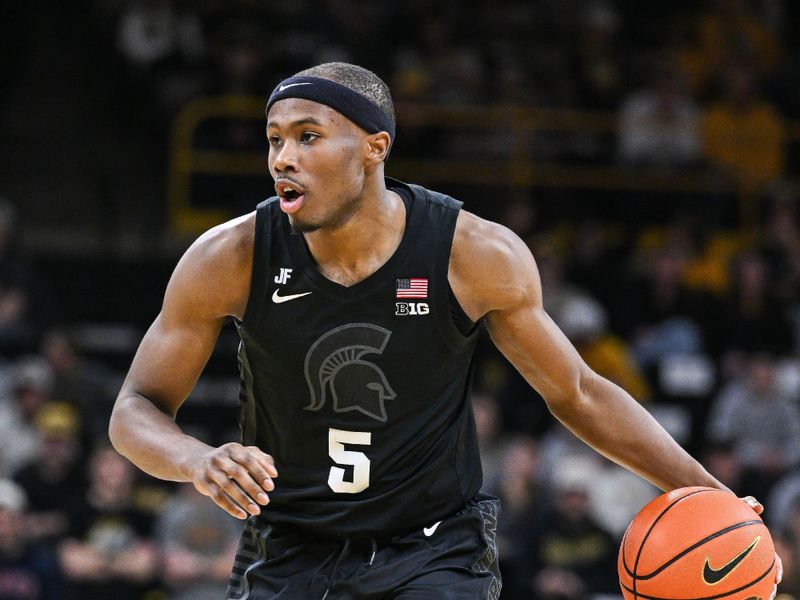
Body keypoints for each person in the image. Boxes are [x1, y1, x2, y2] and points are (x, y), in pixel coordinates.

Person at [109, 62, 779, 599]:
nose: (283, 157)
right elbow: (134, 408)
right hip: (289, 548)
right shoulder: (230, 257)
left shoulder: (472, 254)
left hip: (433, 549)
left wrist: (714, 498)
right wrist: (195, 460)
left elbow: (577, 391)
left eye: (308, 136)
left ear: (374, 148)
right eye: (275, 139)